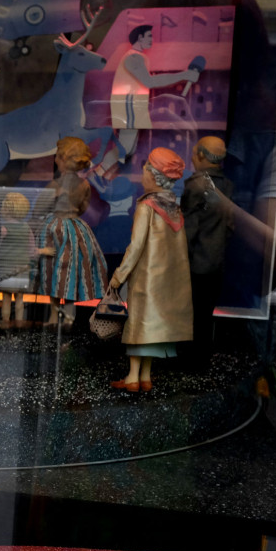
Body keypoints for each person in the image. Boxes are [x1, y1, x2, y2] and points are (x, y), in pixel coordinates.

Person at [109, 147, 193, 392]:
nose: (142, 174)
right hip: (167, 283)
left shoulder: (146, 206)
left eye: (145, 170)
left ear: (153, 176)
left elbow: (135, 247)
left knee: (138, 326)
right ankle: (146, 376)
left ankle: (133, 377)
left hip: (146, 279)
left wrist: (118, 276)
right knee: (154, 328)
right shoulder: (174, 208)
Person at [98, 25, 200, 175]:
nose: (152, 39)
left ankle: (101, 174)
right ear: (140, 38)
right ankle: (98, 174)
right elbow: (149, 81)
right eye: (149, 36)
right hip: (128, 105)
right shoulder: (133, 57)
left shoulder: (137, 57)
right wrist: (183, 75)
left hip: (133, 105)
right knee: (125, 147)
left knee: (129, 148)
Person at [33, 137, 108, 326]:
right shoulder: (84, 185)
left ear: (63, 160)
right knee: (70, 269)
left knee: (54, 270)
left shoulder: (55, 185)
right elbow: (83, 207)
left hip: (56, 230)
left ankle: (55, 314)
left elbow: (39, 209)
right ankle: (68, 314)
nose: (56, 161)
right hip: (75, 229)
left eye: (58, 157)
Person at [181, 136, 233, 359]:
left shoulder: (196, 185)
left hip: (195, 263)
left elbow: (188, 229)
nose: (192, 156)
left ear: (201, 155)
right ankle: (200, 358)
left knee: (190, 314)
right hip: (217, 261)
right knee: (205, 314)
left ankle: (190, 359)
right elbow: (230, 226)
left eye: (194, 152)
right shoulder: (227, 185)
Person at [0, 191, 37, 325]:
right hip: (23, 266)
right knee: (20, 297)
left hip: (7, 266)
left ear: (7, 209)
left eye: (3, 206)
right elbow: (32, 250)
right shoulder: (27, 228)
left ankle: (5, 322)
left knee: (6, 297)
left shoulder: (3, 229)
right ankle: (20, 323)